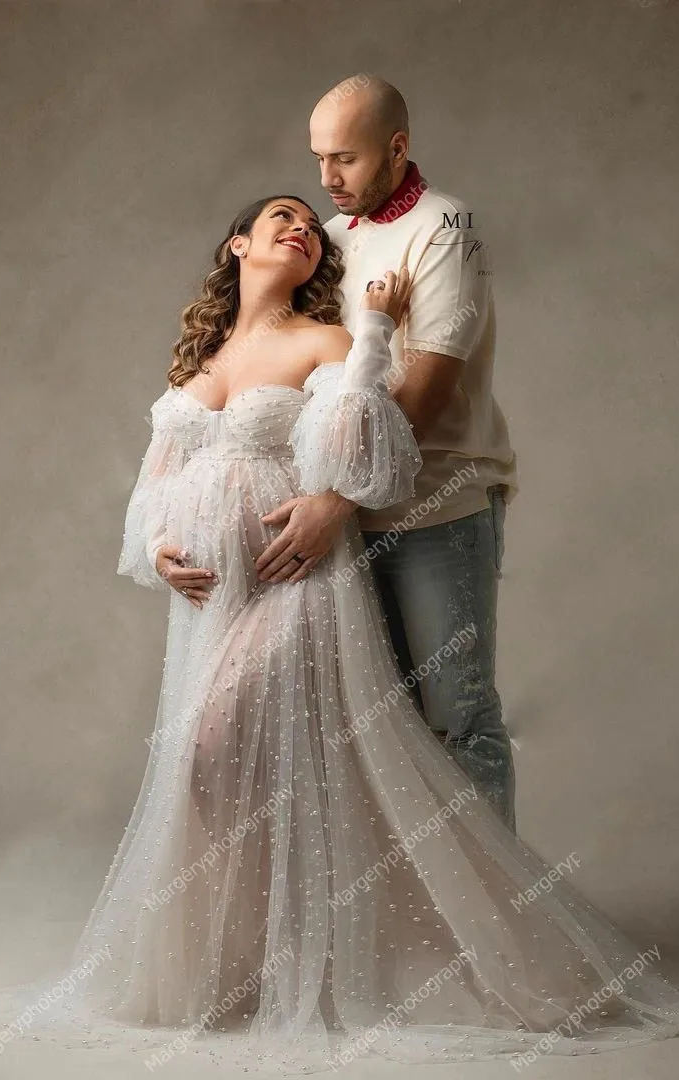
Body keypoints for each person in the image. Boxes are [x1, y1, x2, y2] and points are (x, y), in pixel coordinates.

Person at [0, 192, 679, 1072]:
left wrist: (375, 333)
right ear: (237, 244)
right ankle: (264, 951)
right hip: (215, 600)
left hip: (300, 580)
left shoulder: (325, 340)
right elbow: (158, 477)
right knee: (229, 767)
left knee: (220, 745)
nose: (301, 228)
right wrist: (160, 547)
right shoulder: (202, 358)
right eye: (282, 215)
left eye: (310, 227)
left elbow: (361, 450)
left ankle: (428, 951)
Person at [256, 75, 519, 832]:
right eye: (318, 158)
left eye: (345, 158)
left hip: (437, 504)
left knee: (458, 718)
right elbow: (288, 375)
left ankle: (488, 905)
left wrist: (335, 501)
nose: (326, 178)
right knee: (380, 733)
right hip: (342, 527)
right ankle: (415, 901)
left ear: (398, 148)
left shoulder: (447, 229)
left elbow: (425, 395)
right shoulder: (329, 240)